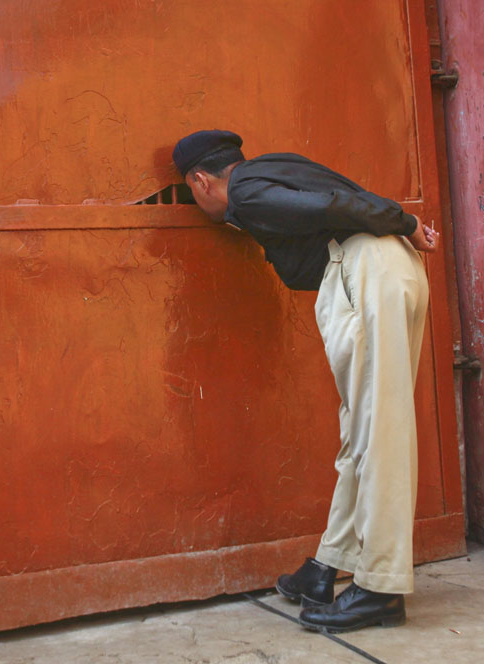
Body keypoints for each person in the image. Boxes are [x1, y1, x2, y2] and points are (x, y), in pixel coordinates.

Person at [172, 129, 439, 633]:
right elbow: (335, 198)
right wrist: (400, 229)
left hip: (368, 269)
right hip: (387, 267)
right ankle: (327, 566)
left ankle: (381, 588)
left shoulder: (247, 193)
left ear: (201, 180)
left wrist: (406, 221)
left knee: (377, 430)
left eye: (190, 191)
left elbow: (331, 205)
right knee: (362, 431)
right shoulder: (275, 165)